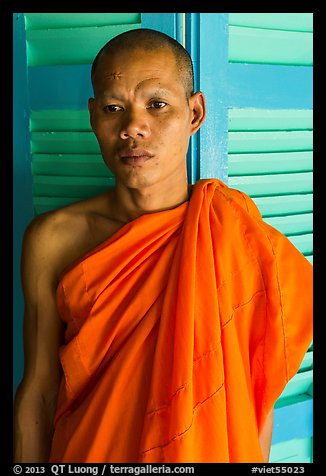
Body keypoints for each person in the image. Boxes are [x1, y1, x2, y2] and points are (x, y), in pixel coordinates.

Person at [13, 28, 312, 464]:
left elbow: (252, 399)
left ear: (194, 113)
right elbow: (39, 391)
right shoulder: (53, 239)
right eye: (115, 108)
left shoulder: (236, 238)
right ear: (94, 117)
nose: (133, 126)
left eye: (157, 105)